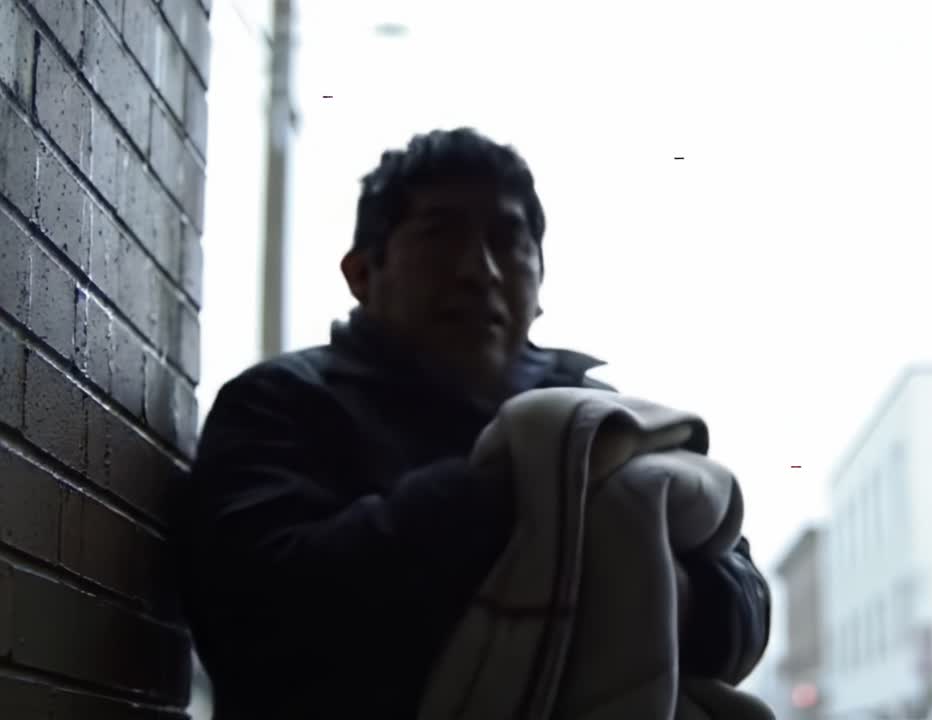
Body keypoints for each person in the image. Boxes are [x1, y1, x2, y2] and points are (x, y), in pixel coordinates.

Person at [181, 128, 771, 719]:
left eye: (508, 241)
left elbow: (746, 603)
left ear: (539, 285)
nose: (480, 270)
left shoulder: (605, 426)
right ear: (362, 273)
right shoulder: (281, 403)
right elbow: (255, 617)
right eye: (441, 234)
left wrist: (669, 595)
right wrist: (520, 483)